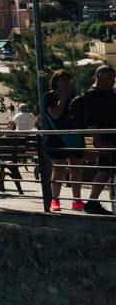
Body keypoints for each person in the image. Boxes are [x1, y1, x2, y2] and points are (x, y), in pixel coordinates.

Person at [67, 66, 116, 215]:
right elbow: (91, 121)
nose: (113, 80)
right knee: (104, 170)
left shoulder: (109, 93)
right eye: (111, 77)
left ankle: (94, 202)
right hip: (106, 140)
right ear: (99, 77)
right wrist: (100, 142)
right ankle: (92, 202)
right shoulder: (92, 95)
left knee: (107, 170)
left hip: (111, 139)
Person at [46, 68, 85, 210]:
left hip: (75, 136)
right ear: (55, 82)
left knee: (76, 169)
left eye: (68, 80)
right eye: (63, 80)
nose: (66, 82)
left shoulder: (74, 97)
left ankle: (77, 200)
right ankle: (55, 200)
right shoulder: (49, 97)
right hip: (57, 137)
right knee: (59, 169)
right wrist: (62, 98)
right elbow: (55, 115)